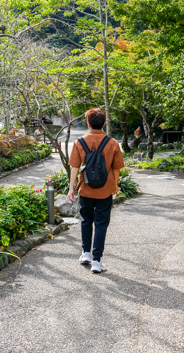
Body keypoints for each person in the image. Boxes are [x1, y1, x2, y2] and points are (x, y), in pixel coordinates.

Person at [68, 108, 125, 273]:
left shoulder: (79, 142)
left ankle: (86, 253)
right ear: (104, 124)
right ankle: (97, 261)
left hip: (85, 189)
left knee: (86, 220)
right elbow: (116, 169)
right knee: (101, 224)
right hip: (105, 190)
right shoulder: (112, 143)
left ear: (88, 123)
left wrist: (71, 188)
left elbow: (75, 167)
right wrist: (114, 186)